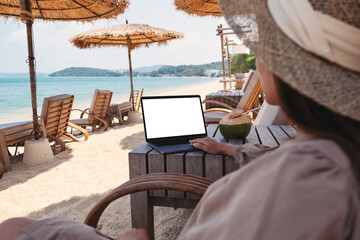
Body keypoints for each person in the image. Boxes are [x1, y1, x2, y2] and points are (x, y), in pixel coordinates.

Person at [0, 0, 359, 239]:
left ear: (290, 68)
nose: (256, 59)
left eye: (261, 49)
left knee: (12, 227)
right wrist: (224, 149)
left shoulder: (298, 180)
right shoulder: (333, 154)